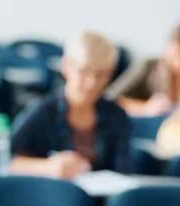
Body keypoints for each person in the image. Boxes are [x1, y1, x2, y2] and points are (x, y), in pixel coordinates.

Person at [10, 31, 132, 179]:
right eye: (84, 71)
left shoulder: (116, 115)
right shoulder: (43, 111)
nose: (92, 83)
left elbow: (122, 171)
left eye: (101, 74)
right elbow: (3, 160)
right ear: (66, 66)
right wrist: (48, 167)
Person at [108, 23, 180, 116]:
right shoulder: (149, 67)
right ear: (167, 48)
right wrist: (145, 107)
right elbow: (111, 98)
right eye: (176, 56)